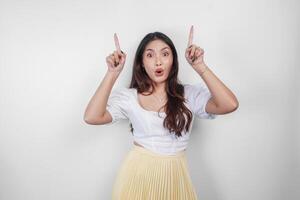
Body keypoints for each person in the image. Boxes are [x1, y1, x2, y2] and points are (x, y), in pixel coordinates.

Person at [84, 25, 239, 199]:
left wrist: (200, 66)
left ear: (173, 60)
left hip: (176, 178)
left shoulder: (189, 94)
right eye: (150, 55)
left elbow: (230, 104)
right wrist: (112, 73)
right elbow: (92, 116)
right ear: (141, 63)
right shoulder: (129, 98)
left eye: (165, 54)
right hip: (137, 177)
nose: (158, 61)